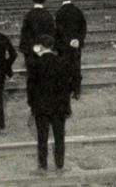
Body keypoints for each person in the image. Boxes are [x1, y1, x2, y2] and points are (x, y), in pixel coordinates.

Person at [27, 34, 74, 172]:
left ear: (40, 46)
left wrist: (32, 104)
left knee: (42, 137)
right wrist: (66, 105)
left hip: (41, 107)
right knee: (59, 137)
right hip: (59, 106)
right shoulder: (62, 62)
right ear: (52, 46)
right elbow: (67, 86)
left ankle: (43, 166)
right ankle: (60, 165)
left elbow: (31, 87)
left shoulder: (35, 64)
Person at [54, 0, 86, 99]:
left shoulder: (59, 13)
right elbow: (83, 27)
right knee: (76, 67)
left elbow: (59, 30)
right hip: (76, 45)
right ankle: (77, 91)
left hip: (64, 46)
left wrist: (68, 41)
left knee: (64, 68)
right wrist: (78, 40)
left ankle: (66, 91)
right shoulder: (77, 11)